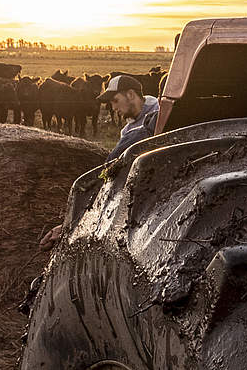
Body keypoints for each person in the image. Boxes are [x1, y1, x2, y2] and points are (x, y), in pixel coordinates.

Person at [37, 74, 160, 250]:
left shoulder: (158, 114)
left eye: (116, 101)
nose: (113, 107)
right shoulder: (128, 131)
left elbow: (109, 171)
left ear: (131, 95)